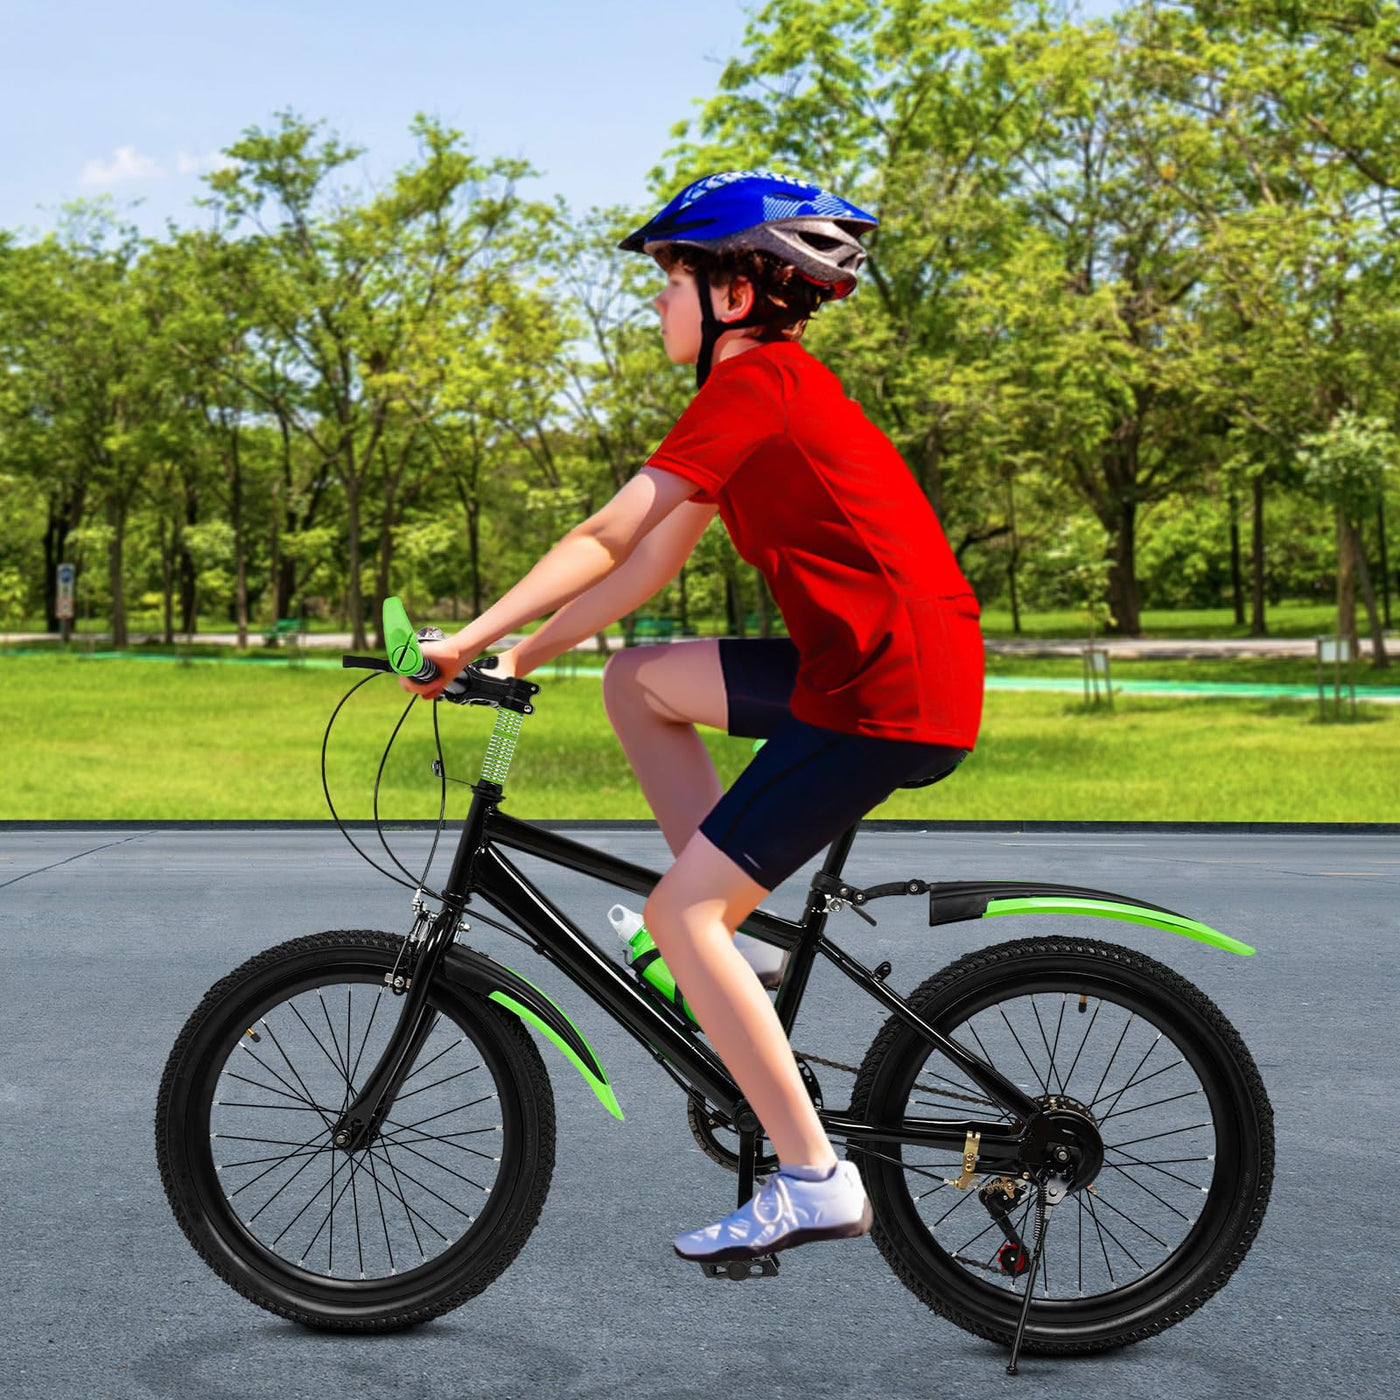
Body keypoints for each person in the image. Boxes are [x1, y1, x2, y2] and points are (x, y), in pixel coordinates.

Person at [401, 168, 984, 1264]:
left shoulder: (757, 385)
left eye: (669, 281)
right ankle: (736, 951)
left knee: (681, 914)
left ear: (731, 293)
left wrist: (465, 637)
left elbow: (607, 533)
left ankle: (813, 1178)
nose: (658, 303)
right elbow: (645, 565)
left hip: (882, 689)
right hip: (866, 666)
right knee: (639, 680)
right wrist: (520, 655)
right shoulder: (761, 393)